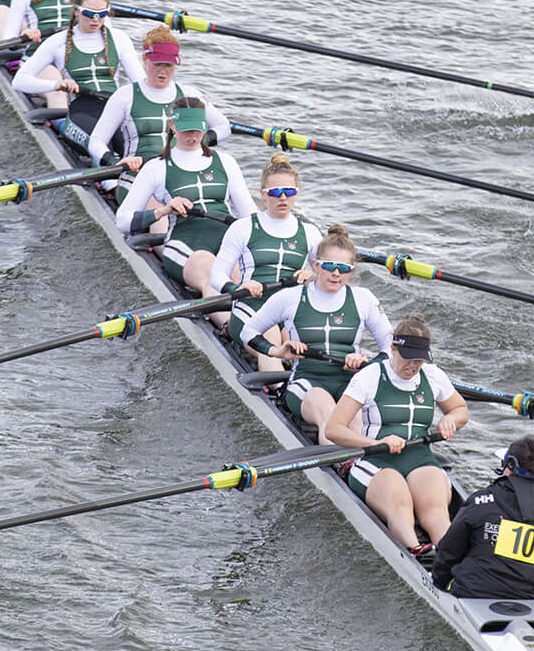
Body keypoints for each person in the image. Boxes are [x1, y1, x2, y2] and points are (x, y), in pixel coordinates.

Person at [324, 314, 470, 556]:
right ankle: (416, 551)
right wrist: (375, 442)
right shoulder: (369, 376)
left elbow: (460, 410)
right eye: (408, 359)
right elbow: (334, 429)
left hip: (419, 457)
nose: (412, 367)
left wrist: (450, 419)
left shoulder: (433, 376)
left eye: (419, 361)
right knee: (400, 502)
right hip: (374, 458)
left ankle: (451, 558)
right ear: (393, 348)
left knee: (435, 508)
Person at [241, 225, 392, 442]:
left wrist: (368, 363)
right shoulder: (290, 297)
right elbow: (248, 331)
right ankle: (342, 466)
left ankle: (356, 467)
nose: (336, 273)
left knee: (359, 421)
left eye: (343, 268)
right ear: (315, 265)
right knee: (330, 415)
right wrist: (277, 351)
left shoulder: (363, 298)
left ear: (352, 270)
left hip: (351, 380)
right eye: (329, 266)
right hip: (307, 379)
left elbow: (390, 347)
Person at [115, 98, 254, 315]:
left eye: (197, 130)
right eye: (186, 130)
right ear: (172, 125)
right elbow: (122, 221)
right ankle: (229, 328)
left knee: (243, 275)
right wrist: (163, 210)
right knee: (211, 273)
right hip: (184, 242)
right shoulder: (156, 168)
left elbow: (250, 216)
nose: (192, 136)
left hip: (226, 238)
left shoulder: (226, 162)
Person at [88, 27, 230, 204]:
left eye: (168, 65)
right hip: (137, 176)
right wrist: (114, 160)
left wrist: (197, 142)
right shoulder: (125, 96)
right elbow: (96, 140)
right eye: (157, 64)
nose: (162, 71)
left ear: (177, 64)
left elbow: (224, 127)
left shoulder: (189, 95)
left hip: (180, 175)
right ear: (145, 59)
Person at [211, 154, 323, 370]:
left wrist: (313, 275)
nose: (283, 197)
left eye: (289, 192)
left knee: (312, 347)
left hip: (288, 309)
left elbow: (329, 275)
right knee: (270, 336)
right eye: (275, 192)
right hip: (251, 306)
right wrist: (237, 287)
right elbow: (216, 275)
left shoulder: (309, 232)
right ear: (263, 195)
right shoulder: (243, 227)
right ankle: (281, 389)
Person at [431, 435, 534, 600]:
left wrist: (439, 584)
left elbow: (449, 551)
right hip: (530, 594)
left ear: (509, 466)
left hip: (474, 590)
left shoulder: (480, 500)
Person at [12, 0, 145, 130]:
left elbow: (141, 83)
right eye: (89, 14)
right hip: (81, 111)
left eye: (102, 14)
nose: (96, 20)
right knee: (101, 139)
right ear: (76, 10)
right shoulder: (58, 42)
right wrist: (55, 85)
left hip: (114, 107)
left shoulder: (120, 38)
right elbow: (19, 81)